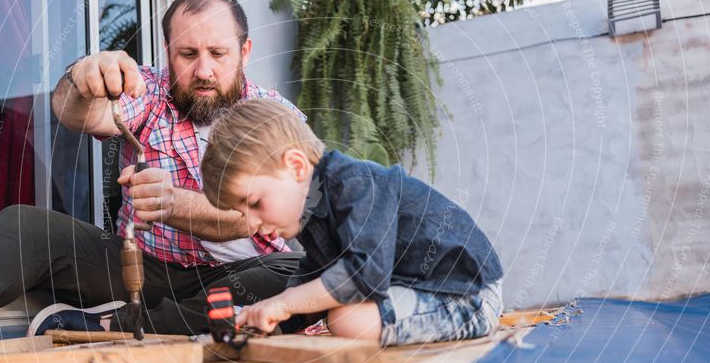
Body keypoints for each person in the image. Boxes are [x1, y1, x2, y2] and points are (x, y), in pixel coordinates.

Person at [0, 0, 304, 345]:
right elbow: (82, 116)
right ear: (168, 52)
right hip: (140, 269)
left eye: (218, 53)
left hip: (238, 276)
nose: (203, 70)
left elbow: (249, 218)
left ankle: (114, 325)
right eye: (187, 54)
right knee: (24, 226)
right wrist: (83, 80)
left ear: (245, 52)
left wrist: (171, 203)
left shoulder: (277, 117)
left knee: (298, 273)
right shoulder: (148, 89)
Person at [200, 99, 504, 346]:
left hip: (466, 295)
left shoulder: (355, 184)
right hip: (418, 289)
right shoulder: (314, 211)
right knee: (336, 308)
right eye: (243, 213)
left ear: (295, 166)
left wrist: (286, 303)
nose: (253, 223)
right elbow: (315, 277)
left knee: (347, 320)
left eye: (255, 203)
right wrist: (272, 320)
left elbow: (364, 275)